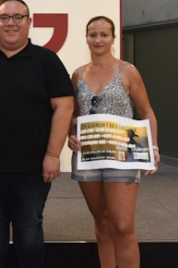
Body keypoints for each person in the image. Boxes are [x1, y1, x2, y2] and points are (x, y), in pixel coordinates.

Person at [0, 0, 74, 268]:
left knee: (29, 229)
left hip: (34, 168)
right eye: (4, 17)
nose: (11, 23)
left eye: (17, 17)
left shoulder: (48, 61)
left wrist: (53, 154)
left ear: (29, 22)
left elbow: (65, 107)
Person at [67, 16, 159, 268]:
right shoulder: (77, 75)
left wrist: (153, 147)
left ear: (113, 38)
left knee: (123, 225)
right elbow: (73, 116)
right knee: (101, 220)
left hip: (124, 155)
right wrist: (70, 135)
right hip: (88, 156)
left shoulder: (128, 71)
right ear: (86, 37)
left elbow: (147, 112)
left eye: (104, 35)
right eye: (93, 34)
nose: (98, 40)